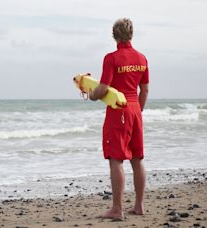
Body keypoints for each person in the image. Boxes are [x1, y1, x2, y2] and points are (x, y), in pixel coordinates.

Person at [89, 18, 149, 220]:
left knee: (116, 158)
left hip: (118, 111)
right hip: (135, 110)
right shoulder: (142, 58)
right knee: (137, 158)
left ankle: (117, 209)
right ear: (131, 35)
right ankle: (139, 206)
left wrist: (91, 94)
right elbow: (145, 89)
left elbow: (103, 88)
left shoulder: (111, 58)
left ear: (114, 35)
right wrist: (137, 112)